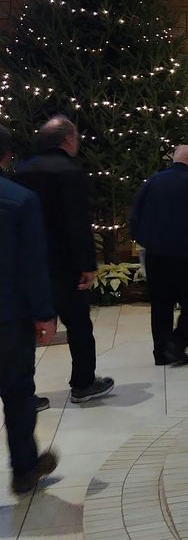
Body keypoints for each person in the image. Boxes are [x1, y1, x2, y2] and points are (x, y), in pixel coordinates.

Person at [13, 116, 113, 404]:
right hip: (64, 265)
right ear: (68, 140)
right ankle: (83, 383)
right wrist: (86, 265)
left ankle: (25, 394)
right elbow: (76, 223)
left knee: (27, 329)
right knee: (79, 324)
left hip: (28, 263)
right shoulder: (69, 171)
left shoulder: (22, 170)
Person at [0, 124, 60, 494]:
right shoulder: (20, 200)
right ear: (6, 156)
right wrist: (43, 314)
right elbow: (32, 264)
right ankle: (24, 469)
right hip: (9, 317)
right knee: (18, 393)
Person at [129, 145, 188, 364]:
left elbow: (135, 215)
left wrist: (144, 241)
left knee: (161, 302)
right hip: (186, 254)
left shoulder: (152, 182)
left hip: (155, 254)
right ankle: (178, 343)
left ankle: (161, 353)